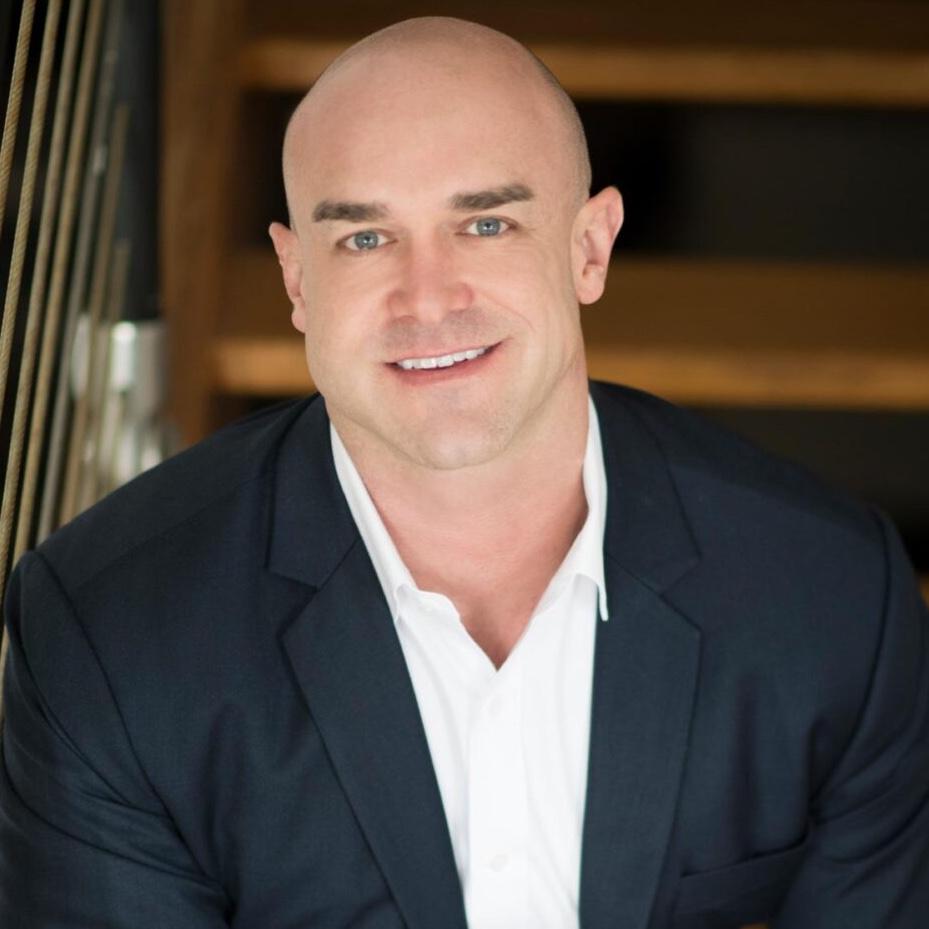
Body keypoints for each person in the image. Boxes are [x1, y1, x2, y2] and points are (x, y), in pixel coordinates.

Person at [1, 15, 927, 929]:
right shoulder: (110, 636)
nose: (428, 297)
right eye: (365, 238)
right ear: (296, 279)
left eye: (485, 224)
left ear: (589, 248)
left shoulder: (832, 595)